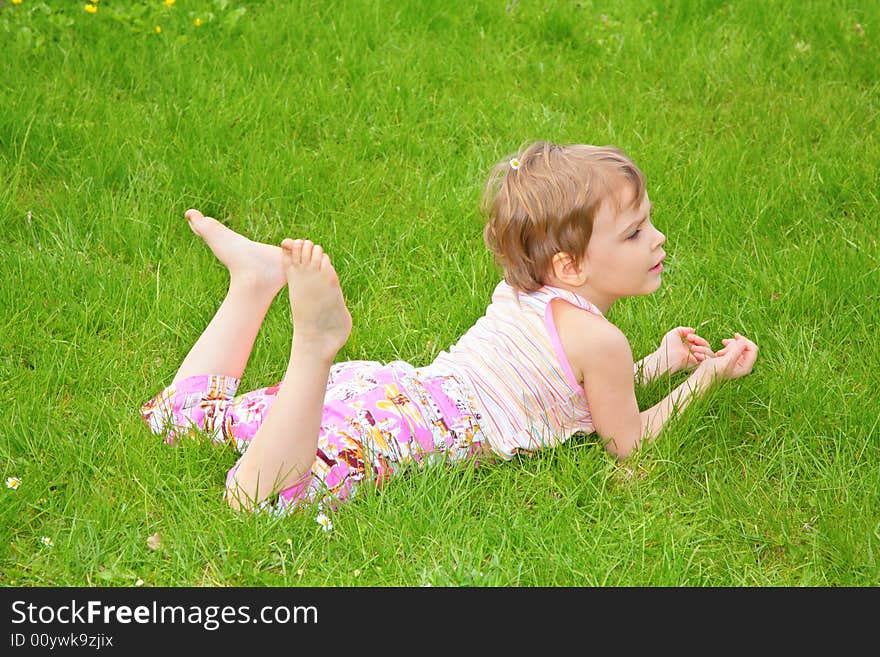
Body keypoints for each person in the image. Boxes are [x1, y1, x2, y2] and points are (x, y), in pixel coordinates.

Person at [140, 140, 758, 514]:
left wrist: (660, 361)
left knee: (184, 420)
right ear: (568, 266)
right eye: (635, 232)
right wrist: (706, 377)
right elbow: (628, 439)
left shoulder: (526, 291)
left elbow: (568, 395)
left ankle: (252, 283)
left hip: (393, 393)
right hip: (416, 428)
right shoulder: (599, 340)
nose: (658, 239)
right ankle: (313, 344)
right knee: (261, 499)